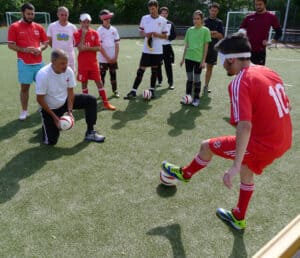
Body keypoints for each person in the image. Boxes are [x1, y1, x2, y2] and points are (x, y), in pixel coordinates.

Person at [161, 33, 292, 231]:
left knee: (207, 146)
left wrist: (234, 166)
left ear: (231, 59)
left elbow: (244, 126)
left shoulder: (240, 81)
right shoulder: (267, 71)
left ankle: (186, 174)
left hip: (264, 144)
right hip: (283, 140)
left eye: (223, 59)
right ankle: (238, 217)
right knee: (248, 171)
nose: (222, 65)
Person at [35, 49, 105, 145]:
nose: (65, 66)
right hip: (50, 108)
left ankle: (90, 132)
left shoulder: (68, 71)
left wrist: (70, 111)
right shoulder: (43, 74)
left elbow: (70, 91)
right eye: (62, 63)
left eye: (66, 63)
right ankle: (46, 125)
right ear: (53, 62)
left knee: (91, 100)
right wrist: (54, 117)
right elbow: (39, 99)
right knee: (51, 142)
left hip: (65, 101)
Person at [7, 2, 48, 120]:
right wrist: (25, 50)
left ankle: (43, 107)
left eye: (32, 14)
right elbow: (11, 45)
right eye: (28, 14)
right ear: (22, 13)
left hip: (39, 63)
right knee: (25, 87)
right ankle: (24, 111)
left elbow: (45, 43)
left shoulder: (38, 27)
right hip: (24, 62)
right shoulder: (14, 26)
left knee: (43, 86)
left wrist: (40, 48)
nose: (31, 16)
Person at [124, 0, 168, 100]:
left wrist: (157, 35)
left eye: (153, 9)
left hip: (157, 50)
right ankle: (133, 91)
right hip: (147, 50)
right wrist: (145, 34)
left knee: (154, 71)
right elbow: (140, 32)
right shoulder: (144, 18)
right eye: (150, 9)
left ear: (157, 8)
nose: (151, 11)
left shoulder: (163, 20)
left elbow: (165, 36)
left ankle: (152, 90)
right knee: (141, 70)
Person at [74, 13, 116, 110]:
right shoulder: (76, 33)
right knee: (84, 83)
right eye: (84, 22)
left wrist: (87, 48)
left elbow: (98, 48)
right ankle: (86, 104)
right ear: (80, 22)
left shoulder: (95, 33)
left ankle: (106, 103)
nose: (86, 24)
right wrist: (83, 35)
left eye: (88, 21)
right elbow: (80, 48)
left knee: (99, 82)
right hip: (82, 64)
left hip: (93, 63)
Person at [180, 10, 211, 107]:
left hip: (198, 60)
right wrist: (183, 58)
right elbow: (187, 45)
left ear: (202, 20)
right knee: (189, 79)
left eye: (198, 19)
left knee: (197, 79)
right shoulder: (189, 30)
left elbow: (206, 47)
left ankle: (196, 98)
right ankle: (188, 96)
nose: (196, 20)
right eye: (194, 18)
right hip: (189, 58)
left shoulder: (205, 30)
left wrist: (203, 61)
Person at [240, 0, 282, 65]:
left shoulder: (271, 17)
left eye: (260, 4)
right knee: (245, 72)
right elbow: (241, 30)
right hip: (246, 50)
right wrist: (242, 35)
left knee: (258, 73)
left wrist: (270, 42)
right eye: (256, 4)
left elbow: (279, 32)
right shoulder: (249, 17)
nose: (258, 6)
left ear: (265, 4)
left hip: (260, 52)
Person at [97, 9, 121, 98]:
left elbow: (117, 44)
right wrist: (107, 58)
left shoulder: (114, 29)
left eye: (109, 18)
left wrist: (115, 57)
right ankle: (101, 93)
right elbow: (100, 46)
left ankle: (115, 91)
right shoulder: (99, 30)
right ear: (102, 19)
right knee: (102, 76)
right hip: (103, 59)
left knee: (113, 75)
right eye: (105, 19)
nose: (107, 20)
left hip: (113, 57)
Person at [47, 6, 77, 72]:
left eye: (66, 15)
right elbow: (49, 40)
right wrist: (56, 49)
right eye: (62, 15)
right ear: (58, 15)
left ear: (68, 15)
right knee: (56, 75)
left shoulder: (72, 27)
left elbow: (75, 42)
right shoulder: (52, 26)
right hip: (56, 57)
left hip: (70, 56)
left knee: (70, 75)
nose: (64, 17)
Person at [204, 3, 224, 93]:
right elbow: (202, 35)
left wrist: (208, 33)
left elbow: (221, 36)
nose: (213, 12)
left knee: (209, 68)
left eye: (215, 11)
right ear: (209, 10)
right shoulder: (203, 21)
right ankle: (195, 84)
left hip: (213, 49)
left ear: (217, 12)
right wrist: (214, 33)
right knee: (197, 67)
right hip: (202, 48)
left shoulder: (219, 22)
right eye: (212, 10)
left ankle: (206, 86)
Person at [156, 6, 176, 90]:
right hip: (158, 47)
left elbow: (174, 35)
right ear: (160, 14)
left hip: (167, 47)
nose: (164, 15)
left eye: (165, 13)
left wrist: (167, 37)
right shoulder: (156, 22)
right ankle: (159, 80)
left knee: (168, 65)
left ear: (167, 14)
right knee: (157, 65)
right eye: (162, 13)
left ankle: (170, 83)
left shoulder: (170, 23)